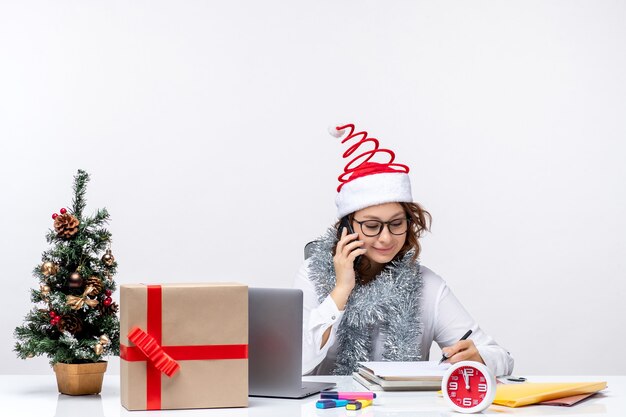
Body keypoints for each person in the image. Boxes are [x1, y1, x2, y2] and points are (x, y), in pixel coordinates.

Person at [294, 123, 514, 377]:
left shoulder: (427, 285)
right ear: (347, 227)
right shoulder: (313, 275)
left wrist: (480, 358)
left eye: (396, 223)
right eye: (372, 226)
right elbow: (297, 363)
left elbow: (501, 357)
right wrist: (341, 289)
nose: (386, 238)